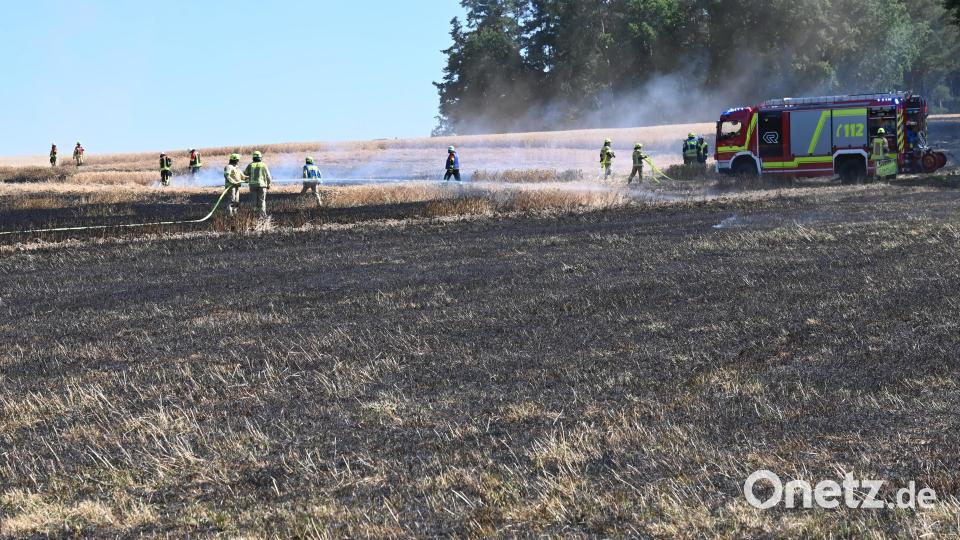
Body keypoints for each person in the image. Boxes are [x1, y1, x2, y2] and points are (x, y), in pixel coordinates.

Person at [244, 151, 272, 218]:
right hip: (262, 186)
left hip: (253, 186)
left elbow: (245, 174)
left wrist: (247, 179)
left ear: (253, 158)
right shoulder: (263, 165)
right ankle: (262, 216)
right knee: (262, 201)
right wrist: (269, 184)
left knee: (254, 201)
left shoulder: (250, 165)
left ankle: (254, 216)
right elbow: (268, 176)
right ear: (260, 158)